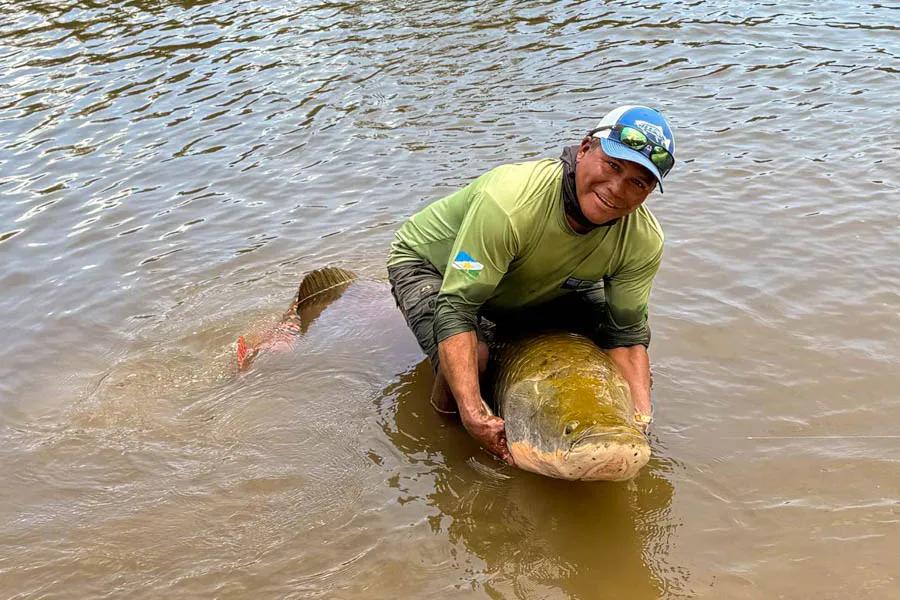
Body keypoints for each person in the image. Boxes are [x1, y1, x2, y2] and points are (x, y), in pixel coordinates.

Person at [386, 105, 675, 463]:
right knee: (474, 359)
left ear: (648, 193)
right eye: (612, 166)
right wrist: (473, 414)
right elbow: (457, 308)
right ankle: (449, 443)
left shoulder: (643, 239)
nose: (616, 189)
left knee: (612, 350)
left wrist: (639, 423)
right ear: (585, 149)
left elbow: (626, 335)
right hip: (437, 268)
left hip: (529, 274)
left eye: (638, 182)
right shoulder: (510, 203)